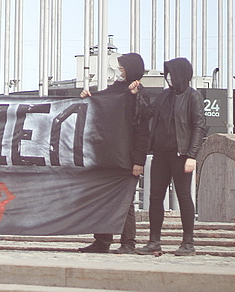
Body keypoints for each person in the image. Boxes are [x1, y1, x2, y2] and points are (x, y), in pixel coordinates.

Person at [77, 53, 150, 254]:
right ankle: (102, 240)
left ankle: (128, 242)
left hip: (127, 157)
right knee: (102, 197)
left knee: (125, 201)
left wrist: (139, 161)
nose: (119, 71)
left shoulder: (139, 94)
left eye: (122, 68)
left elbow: (143, 129)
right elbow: (101, 101)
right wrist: (88, 98)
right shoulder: (114, 90)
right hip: (107, 155)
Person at [136, 57, 207, 256]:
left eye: (171, 74)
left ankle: (188, 243)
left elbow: (199, 127)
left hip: (181, 154)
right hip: (160, 153)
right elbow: (147, 113)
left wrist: (192, 155)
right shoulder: (164, 95)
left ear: (181, 75)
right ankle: (154, 241)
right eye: (167, 74)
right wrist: (138, 93)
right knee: (155, 197)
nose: (168, 78)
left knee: (183, 196)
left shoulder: (193, 97)